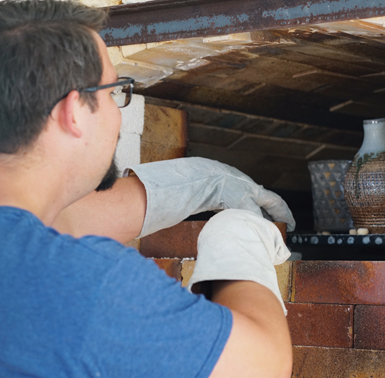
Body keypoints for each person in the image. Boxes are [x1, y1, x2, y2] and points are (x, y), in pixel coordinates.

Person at [0, 1, 295, 377]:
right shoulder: (89, 284)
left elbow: (56, 221)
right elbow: (263, 365)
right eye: (113, 92)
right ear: (73, 112)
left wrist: (207, 181)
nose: (116, 111)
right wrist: (236, 244)